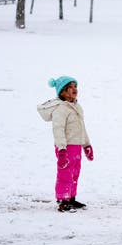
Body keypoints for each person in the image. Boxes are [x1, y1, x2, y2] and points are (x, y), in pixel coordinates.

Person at [37, 76, 94, 212]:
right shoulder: (60, 109)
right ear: (63, 91)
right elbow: (58, 130)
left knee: (74, 173)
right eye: (71, 87)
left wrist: (86, 144)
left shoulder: (76, 107)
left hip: (76, 146)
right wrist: (61, 149)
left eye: (76, 86)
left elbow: (82, 127)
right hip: (66, 147)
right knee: (65, 174)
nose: (75, 89)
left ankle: (71, 198)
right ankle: (63, 200)